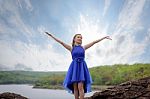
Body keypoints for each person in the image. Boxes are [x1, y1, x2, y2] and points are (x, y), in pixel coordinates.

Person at [45, 32, 112, 99]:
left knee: (80, 86)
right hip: (74, 68)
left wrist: (104, 38)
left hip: (82, 67)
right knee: (75, 87)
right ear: (74, 39)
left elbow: (94, 42)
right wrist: (52, 36)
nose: (80, 38)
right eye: (78, 37)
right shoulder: (71, 48)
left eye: (81, 38)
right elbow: (61, 42)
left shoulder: (83, 47)